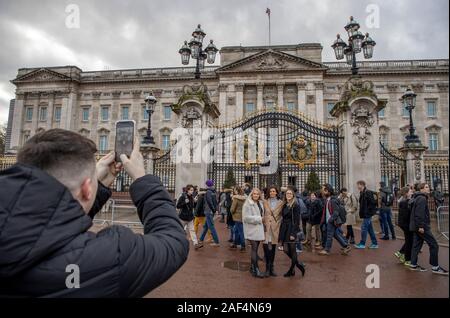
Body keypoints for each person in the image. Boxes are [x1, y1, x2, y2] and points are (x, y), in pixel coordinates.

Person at [0, 129, 189, 297]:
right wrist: (142, 178)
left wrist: (93, 184)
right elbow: (173, 241)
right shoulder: (109, 257)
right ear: (87, 189)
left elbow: (51, 227)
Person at [409, 183, 448, 275]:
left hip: (416, 226)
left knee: (416, 245)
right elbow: (419, 214)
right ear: (421, 189)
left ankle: (413, 264)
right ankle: (435, 267)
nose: (428, 188)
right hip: (421, 226)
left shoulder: (416, 197)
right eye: (426, 187)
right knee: (434, 245)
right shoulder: (422, 199)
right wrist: (421, 226)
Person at [278, 187, 305, 277]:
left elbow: (297, 221)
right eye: (287, 194)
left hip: (291, 228)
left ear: (293, 195)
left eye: (290, 193)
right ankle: (298, 264)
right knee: (286, 250)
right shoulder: (284, 204)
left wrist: (293, 233)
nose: (288, 195)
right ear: (285, 195)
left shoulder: (295, 205)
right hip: (284, 228)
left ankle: (291, 270)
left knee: (293, 250)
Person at [318, 184, 351, 256]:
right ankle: (346, 246)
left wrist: (330, 220)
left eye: (324, 190)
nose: (322, 191)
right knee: (335, 235)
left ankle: (327, 250)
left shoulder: (333, 200)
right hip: (329, 221)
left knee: (329, 235)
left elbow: (336, 212)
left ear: (328, 191)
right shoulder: (328, 199)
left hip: (332, 221)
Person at [242, 188, 266, 278]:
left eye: (257, 194)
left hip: (259, 229)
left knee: (255, 249)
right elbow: (246, 218)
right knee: (254, 250)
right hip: (252, 229)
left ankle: (252, 268)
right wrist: (259, 219)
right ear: (251, 194)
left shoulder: (260, 203)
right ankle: (256, 269)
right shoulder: (248, 204)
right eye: (254, 194)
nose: (256, 195)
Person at [262, 186, 283, 277]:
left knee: (273, 248)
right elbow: (262, 213)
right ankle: (267, 267)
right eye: (270, 191)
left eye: (274, 191)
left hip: (275, 227)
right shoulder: (265, 201)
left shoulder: (281, 203)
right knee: (266, 247)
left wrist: (278, 222)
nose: (272, 193)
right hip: (266, 227)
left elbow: (282, 215)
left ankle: (272, 268)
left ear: (277, 192)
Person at [354, 180, 379, 249]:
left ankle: (362, 244)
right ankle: (375, 243)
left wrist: (368, 211)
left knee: (364, 228)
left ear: (362, 185)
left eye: (358, 185)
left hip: (367, 214)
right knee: (370, 229)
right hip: (366, 214)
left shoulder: (367, 192)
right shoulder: (362, 192)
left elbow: (372, 203)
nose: (357, 186)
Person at [176, 184, 202, 250]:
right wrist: (184, 202)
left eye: (192, 190)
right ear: (187, 190)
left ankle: (195, 244)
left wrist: (195, 202)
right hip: (183, 218)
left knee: (192, 230)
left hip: (190, 217)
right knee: (180, 231)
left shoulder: (191, 197)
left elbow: (192, 207)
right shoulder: (182, 197)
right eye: (191, 190)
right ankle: (177, 243)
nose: (192, 191)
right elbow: (178, 206)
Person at [395, 186, 414, 266]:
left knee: (409, 240)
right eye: (410, 191)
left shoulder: (407, 201)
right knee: (409, 241)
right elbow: (406, 215)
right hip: (406, 224)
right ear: (406, 193)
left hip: (405, 224)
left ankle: (401, 254)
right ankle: (407, 259)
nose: (412, 191)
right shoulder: (404, 202)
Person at [199, 180, 220, 247]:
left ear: (207, 185)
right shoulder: (214, 191)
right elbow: (216, 202)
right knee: (206, 226)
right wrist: (215, 210)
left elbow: (209, 202)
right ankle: (201, 239)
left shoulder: (208, 192)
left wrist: (213, 210)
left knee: (211, 226)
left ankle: (216, 242)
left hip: (208, 211)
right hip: (211, 211)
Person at [230, 185, 246, 252]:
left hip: (237, 217)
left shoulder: (236, 198)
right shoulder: (245, 198)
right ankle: (235, 243)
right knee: (235, 230)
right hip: (243, 216)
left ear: (236, 191)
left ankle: (243, 246)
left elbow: (232, 209)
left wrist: (232, 212)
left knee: (240, 232)